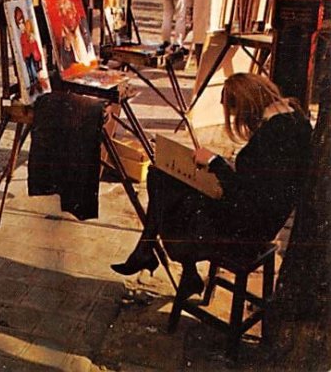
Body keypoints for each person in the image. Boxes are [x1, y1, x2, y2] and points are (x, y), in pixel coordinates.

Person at [111, 73, 312, 299]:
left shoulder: (272, 135)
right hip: (258, 220)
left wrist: (216, 163)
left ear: (246, 105)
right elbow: (260, 183)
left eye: (235, 113)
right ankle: (159, 257)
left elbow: (246, 197)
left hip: (247, 232)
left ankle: (155, 254)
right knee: (164, 178)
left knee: (166, 187)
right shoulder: (293, 118)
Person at [56, 0, 94, 71]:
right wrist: (67, 44)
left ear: (74, 12)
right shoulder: (63, 35)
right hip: (77, 72)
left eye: (69, 12)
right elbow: (66, 66)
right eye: (64, 16)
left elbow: (90, 52)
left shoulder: (83, 24)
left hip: (89, 68)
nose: (69, 18)